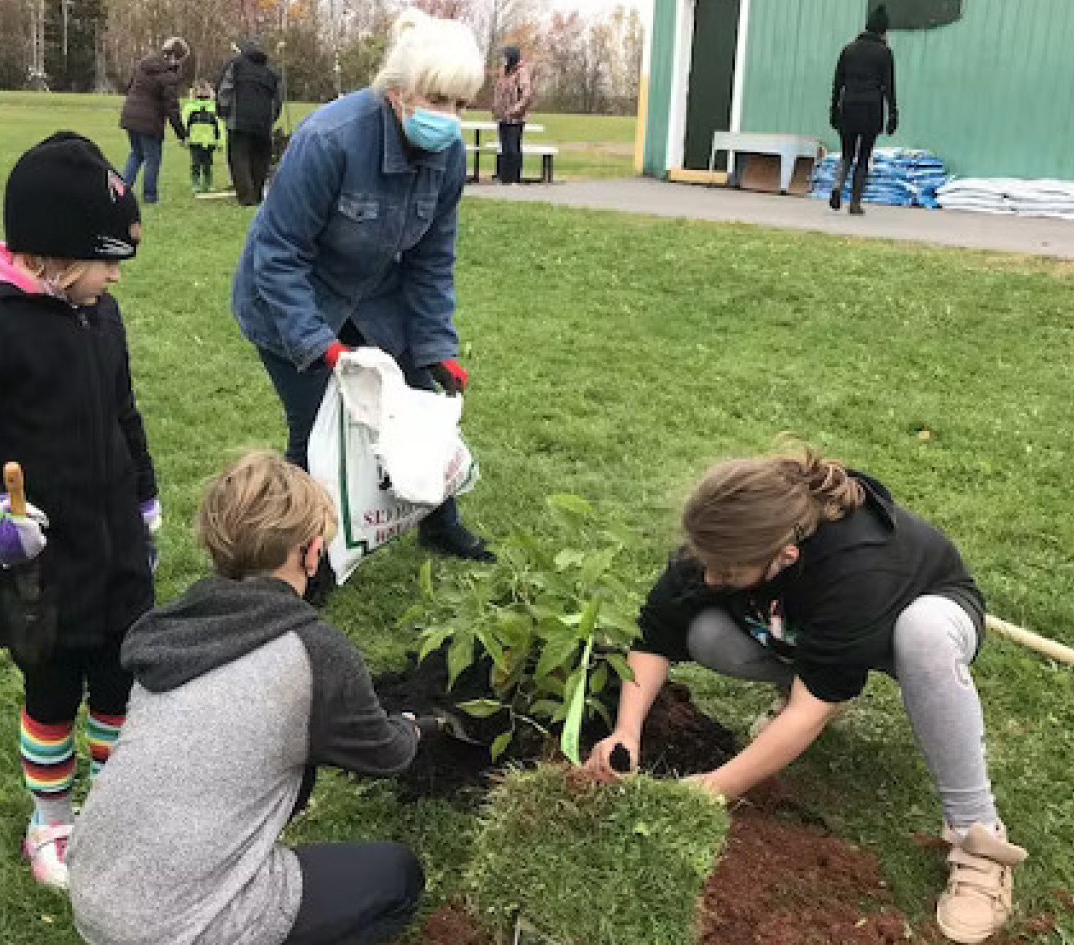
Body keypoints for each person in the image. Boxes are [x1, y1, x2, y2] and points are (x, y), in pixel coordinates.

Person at [585, 446, 1026, 945]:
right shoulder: (724, 535)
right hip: (816, 624)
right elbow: (653, 640)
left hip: (925, 613)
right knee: (707, 633)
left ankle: (978, 839)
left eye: (726, 573)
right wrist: (626, 731)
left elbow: (811, 712)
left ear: (785, 555)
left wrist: (711, 789)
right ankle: (800, 672)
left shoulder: (856, 569)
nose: (710, 579)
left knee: (921, 636)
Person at [0, 132, 161, 891]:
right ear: (52, 255)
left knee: (122, 683)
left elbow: (124, 412)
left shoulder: (99, 315)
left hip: (116, 548)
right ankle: (50, 816)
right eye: (106, 259)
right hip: (40, 569)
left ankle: (115, 804)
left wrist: (144, 495)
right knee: (53, 694)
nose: (115, 276)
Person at [69, 450, 434, 945]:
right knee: (397, 875)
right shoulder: (314, 652)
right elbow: (384, 754)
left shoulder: (168, 632)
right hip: (180, 928)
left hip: (95, 893)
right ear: (310, 552)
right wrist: (413, 726)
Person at [231, 9, 495, 575]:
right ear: (398, 94)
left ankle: (438, 524)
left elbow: (431, 259)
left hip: (371, 298)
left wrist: (435, 346)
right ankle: (301, 558)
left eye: (461, 104)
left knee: (420, 402)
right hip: (285, 300)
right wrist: (319, 347)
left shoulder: (448, 156)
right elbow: (279, 254)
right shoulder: (330, 140)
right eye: (438, 99)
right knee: (319, 427)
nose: (449, 118)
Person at [828, 4, 898, 215]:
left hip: (848, 104)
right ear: (883, 31)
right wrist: (893, 113)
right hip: (871, 107)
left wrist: (833, 108)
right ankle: (855, 203)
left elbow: (837, 82)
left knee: (847, 153)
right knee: (864, 156)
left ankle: (837, 187)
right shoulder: (884, 53)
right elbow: (889, 86)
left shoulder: (848, 50)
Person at [120, 37, 191, 205]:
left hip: (130, 115)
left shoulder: (143, 65)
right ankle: (150, 196)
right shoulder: (168, 76)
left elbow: (129, 86)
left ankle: (120, 192)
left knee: (136, 155)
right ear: (176, 57)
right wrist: (182, 134)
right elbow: (172, 107)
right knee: (153, 159)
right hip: (149, 122)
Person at [216, 39, 283, 206]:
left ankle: (246, 197)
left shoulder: (236, 64)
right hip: (263, 122)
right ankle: (258, 194)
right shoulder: (271, 71)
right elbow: (278, 98)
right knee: (260, 158)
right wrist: (272, 118)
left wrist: (223, 110)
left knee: (239, 157)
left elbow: (225, 88)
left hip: (239, 120)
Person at [490, 44, 535, 185]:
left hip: (515, 118)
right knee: (504, 148)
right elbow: (499, 93)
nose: (502, 60)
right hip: (502, 117)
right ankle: (504, 178)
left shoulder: (521, 72)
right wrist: (495, 108)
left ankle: (514, 178)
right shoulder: (503, 72)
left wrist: (516, 110)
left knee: (512, 148)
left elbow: (526, 95)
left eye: (505, 56)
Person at [183, 81, 223, 194]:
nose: (203, 93)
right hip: (195, 141)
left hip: (210, 141)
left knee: (208, 164)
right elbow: (185, 123)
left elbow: (219, 125)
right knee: (195, 164)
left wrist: (220, 141)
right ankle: (195, 183)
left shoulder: (214, 107)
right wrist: (184, 138)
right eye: (200, 90)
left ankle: (208, 183)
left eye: (205, 90)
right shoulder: (190, 107)